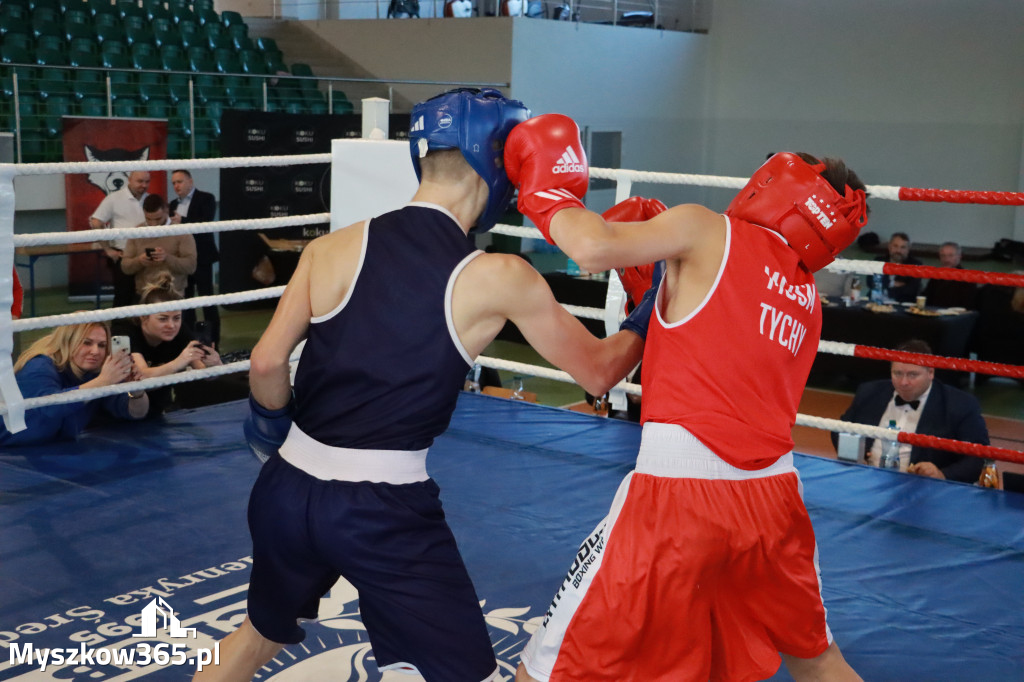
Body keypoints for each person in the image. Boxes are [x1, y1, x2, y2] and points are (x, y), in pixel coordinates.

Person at [194, 89, 653, 682]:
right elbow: (601, 371)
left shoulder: (331, 246)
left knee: (256, 637)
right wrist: (653, 301)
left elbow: (264, 363)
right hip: (381, 509)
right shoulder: (499, 275)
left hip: (284, 488)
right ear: (501, 162)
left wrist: (273, 434)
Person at [504, 114, 868, 681]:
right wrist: (660, 306)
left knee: (549, 667)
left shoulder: (705, 229)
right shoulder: (806, 299)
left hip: (679, 500)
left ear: (781, 188)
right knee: (818, 659)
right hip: (775, 501)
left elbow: (593, 247)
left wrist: (547, 191)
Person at [834, 339, 988, 483]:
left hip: (924, 489)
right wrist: (854, 453)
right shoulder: (870, 392)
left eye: (913, 375)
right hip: (867, 480)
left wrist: (942, 474)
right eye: (897, 373)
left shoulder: (960, 404)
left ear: (931, 373)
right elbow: (839, 430)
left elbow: (979, 458)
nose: (904, 382)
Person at [0, 321, 148, 446]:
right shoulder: (39, 366)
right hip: (7, 451)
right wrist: (102, 381)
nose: (95, 351)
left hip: (50, 450)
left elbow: (136, 413)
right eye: (86, 343)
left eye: (102, 345)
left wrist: (136, 390)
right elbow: (51, 408)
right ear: (68, 342)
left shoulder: (95, 373)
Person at [127, 275, 223, 418]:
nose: (171, 325)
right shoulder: (128, 332)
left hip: (158, 413)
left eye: (177, 318)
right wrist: (180, 361)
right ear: (143, 317)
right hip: (121, 414)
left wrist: (214, 365)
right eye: (163, 318)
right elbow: (142, 377)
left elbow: (204, 372)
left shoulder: (179, 332)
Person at [170, 169, 221, 346]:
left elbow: (204, 221)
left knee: (208, 302)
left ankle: (214, 343)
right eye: (174, 183)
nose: (176, 186)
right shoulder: (172, 205)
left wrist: (182, 221)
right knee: (186, 303)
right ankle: (189, 343)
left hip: (202, 259)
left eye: (180, 181)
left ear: (190, 181)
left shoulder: (206, 198)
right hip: (183, 261)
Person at [90, 170, 151, 309]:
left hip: (146, 256)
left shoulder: (150, 199)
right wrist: (108, 249)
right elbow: (96, 222)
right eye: (140, 181)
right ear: (129, 180)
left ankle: (142, 330)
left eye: (147, 182)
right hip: (123, 255)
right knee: (123, 297)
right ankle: (119, 329)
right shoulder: (114, 198)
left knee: (146, 297)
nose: (144, 185)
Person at [121, 194, 197, 301]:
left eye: (158, 219)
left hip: (174, 294)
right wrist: (139, 261)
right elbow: (125, 267)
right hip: (144, 294)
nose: (153, 224)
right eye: (148, 219)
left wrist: (167, 258)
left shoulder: (182, 232)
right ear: (143, 213)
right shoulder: (136, 232)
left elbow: (191, 267)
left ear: (167, 210)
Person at [921, 241, 978, 308]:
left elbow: (968, 307)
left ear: (959, 257)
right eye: (943, 255)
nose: (946, 259)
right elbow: (926, 298)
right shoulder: (936, 276)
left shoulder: (968, 278)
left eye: (950, 255)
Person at [874, 231, 922, 303]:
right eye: (895, 246)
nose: (898, 251)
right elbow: (871, 282)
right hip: (876, 301)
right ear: (889, 247)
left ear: (908, 249)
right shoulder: (879, 261)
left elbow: (912, 289)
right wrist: (892, 283)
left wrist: (885, 286)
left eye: (903, 247)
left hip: (901, 305)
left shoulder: (915, 265)